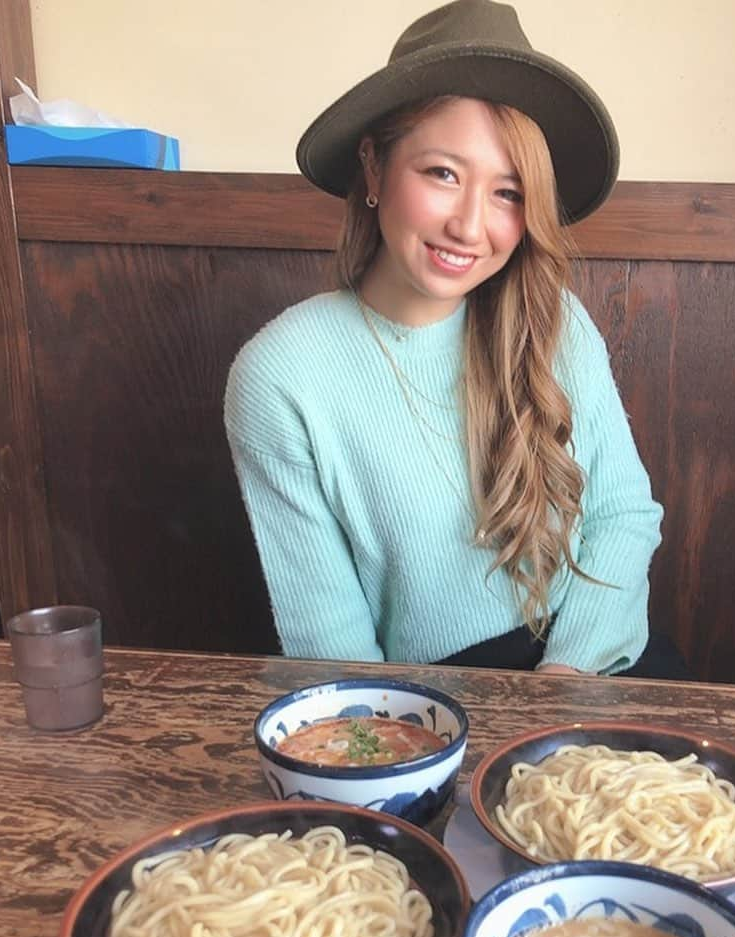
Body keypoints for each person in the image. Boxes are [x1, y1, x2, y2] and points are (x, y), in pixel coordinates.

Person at [225, 0, 679, 678]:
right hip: (422, 706)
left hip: (598, 670)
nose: (471, 226)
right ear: (374, 169)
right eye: (442, 173)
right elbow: (332, 643)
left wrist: (562, 687)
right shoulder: (281, 375)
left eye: (507, 192)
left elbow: (623, 515)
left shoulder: (556, 323)